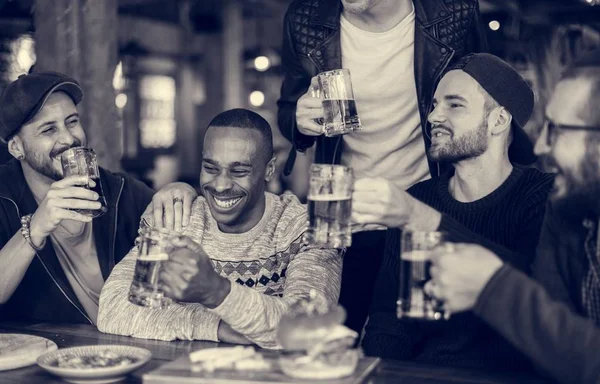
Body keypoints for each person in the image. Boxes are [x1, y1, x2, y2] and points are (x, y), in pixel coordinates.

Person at [277, 0, 489, 333]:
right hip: (342, 217)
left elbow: (483, 96)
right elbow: (288, 108)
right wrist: (299, 121)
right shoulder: (307, 17)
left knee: (416, 337)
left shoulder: (452, 11)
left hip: (423, 210)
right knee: (328, 337)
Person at [359, 53, 554, 370]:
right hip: (424, 375)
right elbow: (389, 321)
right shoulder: (417, 198)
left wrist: (425, 223)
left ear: (499, 120)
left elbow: (536, 296)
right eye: (434, 105)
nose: (434, 116)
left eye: (454, 104)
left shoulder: (542, 196)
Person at [424, 49, 600, 384]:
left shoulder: (540, 195)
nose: (539, 148)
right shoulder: (566, 208)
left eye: (558, 130)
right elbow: (553, 351)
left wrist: (493, 286)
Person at [98, 109, 343, 349]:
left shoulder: (307, 228)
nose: (221, 185)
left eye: (239, 171)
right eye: (211, 168)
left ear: (269, 169)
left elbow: (309, 327)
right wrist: (217, 327)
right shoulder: (176, 218)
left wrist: (216, 292)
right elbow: (112, 308)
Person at [0, 72, 196, 325]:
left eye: (71, 122)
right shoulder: (4, 197)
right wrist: (36, 227)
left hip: (127, 342)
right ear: (16, 147)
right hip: (47, 350)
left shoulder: (117, 189)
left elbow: (184, 225)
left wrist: (181, 190)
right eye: (49, 129)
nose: (69, 139)